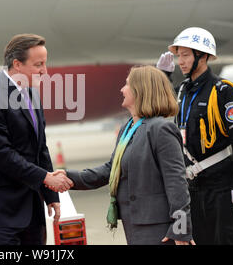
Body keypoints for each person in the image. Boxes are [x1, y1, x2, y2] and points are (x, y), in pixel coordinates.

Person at [54, 65, 194, 245]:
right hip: (134, 223)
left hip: (158, 227)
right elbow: (111, 169)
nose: (122, 89)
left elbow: (177, 182)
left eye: (127, 85)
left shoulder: (162, 129)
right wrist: (69, 177)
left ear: (140, 91)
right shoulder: (128, 128)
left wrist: (181, 229)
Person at [0, 33, 73, 245]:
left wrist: (51, 196)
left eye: (45, 63)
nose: (45, 71)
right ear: (17, 64)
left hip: (30, 208)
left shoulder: (32, 95)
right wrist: (45, 177)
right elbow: (0, 154)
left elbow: (40, 148)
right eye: (38, 64)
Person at [157, 27, 233, 244]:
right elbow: (161, 107)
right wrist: (162, 77)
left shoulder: (223, 91)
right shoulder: (183, 91)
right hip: (193, 189)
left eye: (185, 55)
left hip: (222, 189)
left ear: (203, 56)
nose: (179, 61)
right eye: (178, 55)